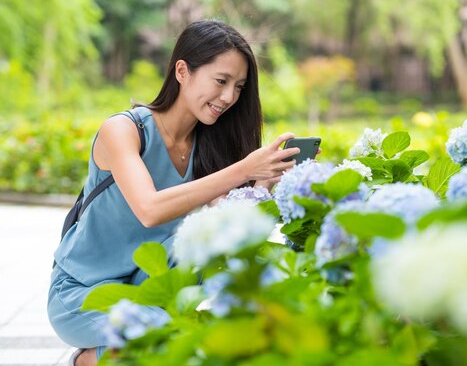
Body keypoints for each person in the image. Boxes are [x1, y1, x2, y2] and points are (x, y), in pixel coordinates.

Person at [47, 20, 300, 366]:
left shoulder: (209, 150)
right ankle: (89, 361)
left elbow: (224, 231)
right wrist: (243, 169)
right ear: (182, 71)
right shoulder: (123, 130)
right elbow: (149, 209)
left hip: (152, 291)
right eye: (221, 81)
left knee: (202, 324)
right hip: (82, 293)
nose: (229, 97)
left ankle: (109, 356)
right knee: (169, 337)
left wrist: (263, 184)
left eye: (239, 87)